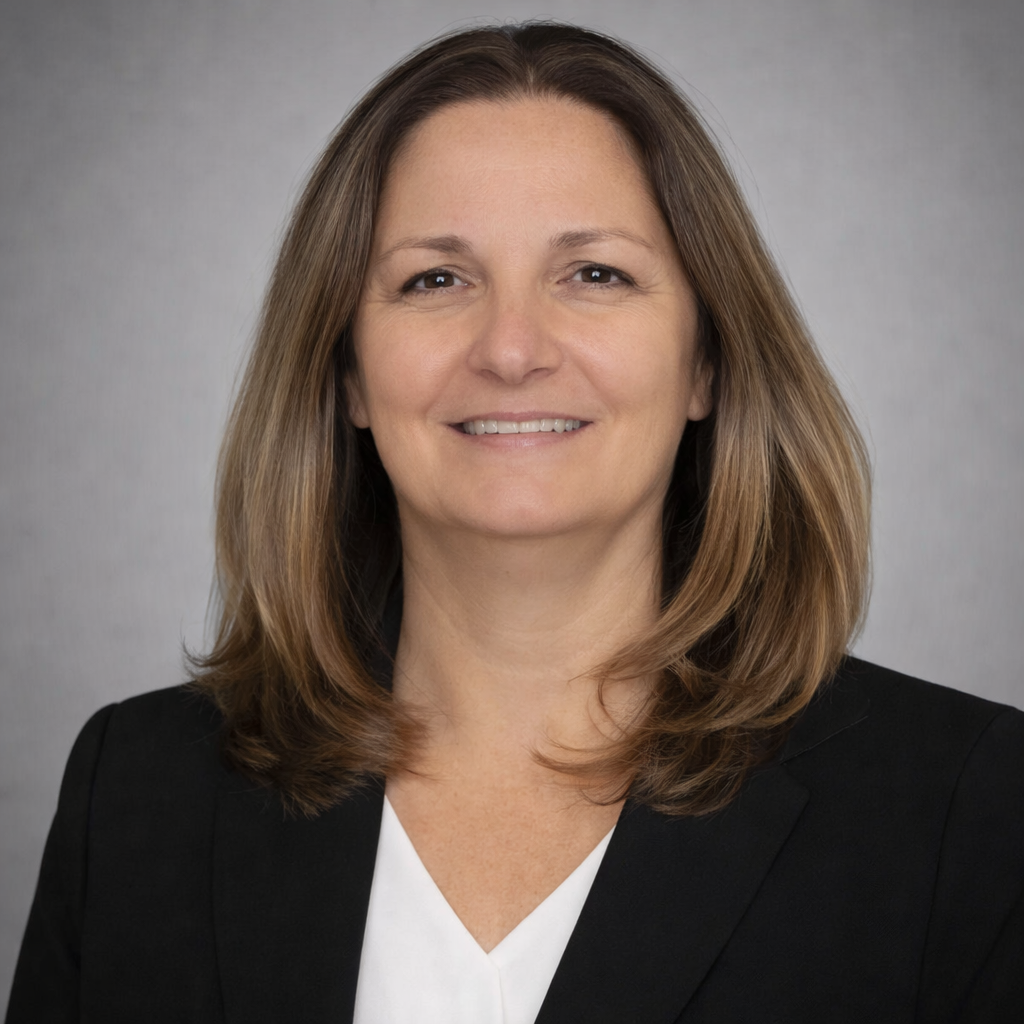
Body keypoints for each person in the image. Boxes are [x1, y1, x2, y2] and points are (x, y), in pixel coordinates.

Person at [7, 22, 1023, 1024]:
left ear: (706, 362)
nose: (510, 348)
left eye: (594, 274)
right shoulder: (138, 791)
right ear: (348, 371)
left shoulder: (965, 806)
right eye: (435, 279)